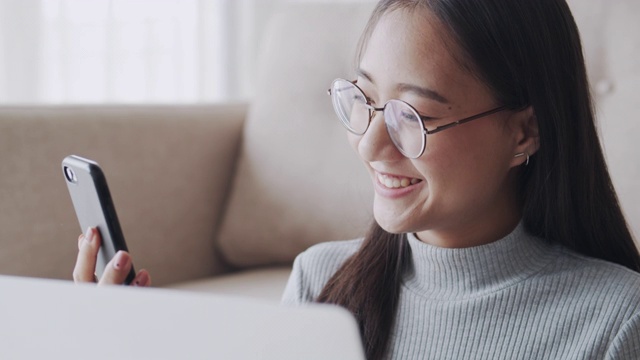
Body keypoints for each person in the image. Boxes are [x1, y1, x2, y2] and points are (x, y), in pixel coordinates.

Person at [74, 0, 640, 359]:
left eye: (413, 117)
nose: (371, 146)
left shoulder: (615, 321)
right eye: (365, 101)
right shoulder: (320, 280)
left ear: (524, 133)